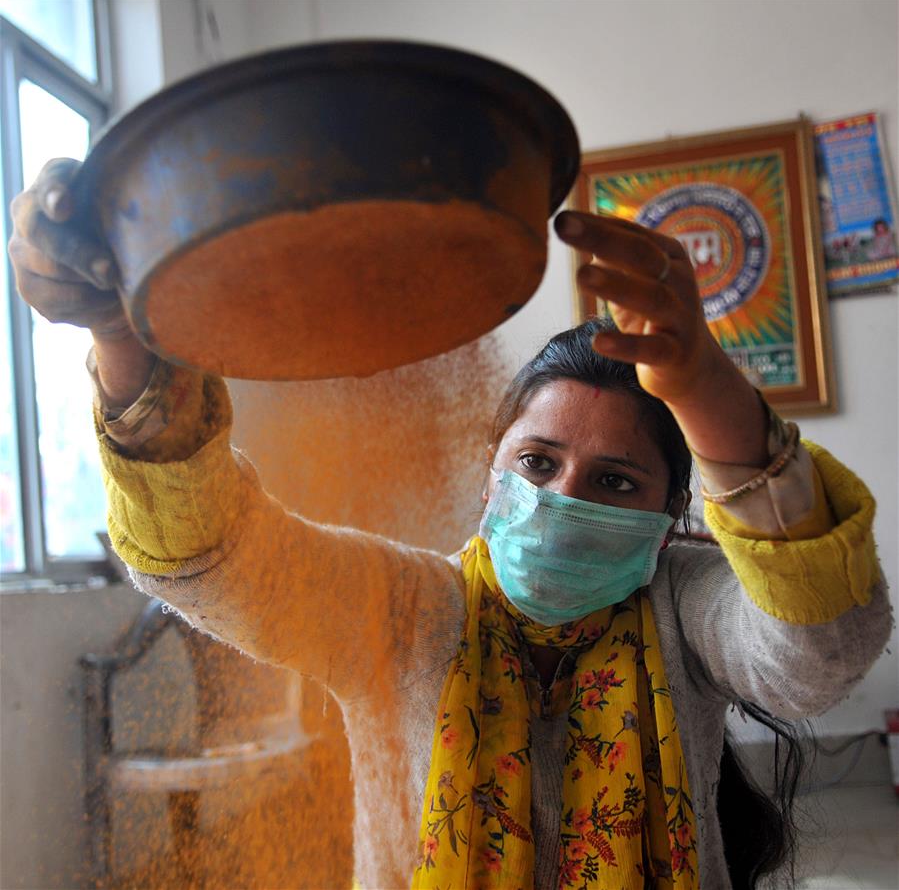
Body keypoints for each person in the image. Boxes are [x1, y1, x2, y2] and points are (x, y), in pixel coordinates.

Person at [9, 159, 890, 890]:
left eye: (613, 480)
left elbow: (822, 651)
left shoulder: (688, 608)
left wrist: (704, 388)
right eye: (537, 463)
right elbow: (208, 558)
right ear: (489, 473)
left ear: (667, 519)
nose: (561, 499)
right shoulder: (399, 606)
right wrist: (124, 346)